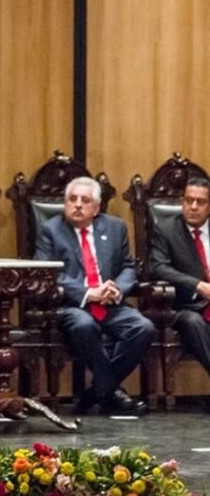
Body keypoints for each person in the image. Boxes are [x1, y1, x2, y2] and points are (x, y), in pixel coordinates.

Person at [34, 176, 154, 415]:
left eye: (85, 200)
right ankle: (110, 390)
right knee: (84, 324)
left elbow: (129, 267)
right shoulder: (51, 230)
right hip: (71, 305)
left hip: (110, 304)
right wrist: (88, 293)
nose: (77, 204)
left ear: (96, 208)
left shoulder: (115, 227)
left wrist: (117, 289)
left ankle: (96, 391)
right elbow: (46, 273)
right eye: (72, 199)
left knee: (144, 327)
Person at [150, 176, 210, 393]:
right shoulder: (166, 229)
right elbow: (159, 267)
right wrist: (198, 285)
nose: (193, 207)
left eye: (200, 202)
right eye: (188, 200)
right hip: (184, 306)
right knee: (194, 323)